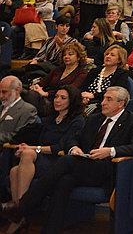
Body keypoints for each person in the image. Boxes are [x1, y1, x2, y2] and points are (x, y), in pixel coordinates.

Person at [2, 87, 133, 233]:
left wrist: (110, 151)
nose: (102, 102)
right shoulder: (95, 118)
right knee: (63, 181)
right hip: (86, 165)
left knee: (67, 161)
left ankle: (22, 206)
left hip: (108, 169)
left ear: (121, 104)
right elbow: (73, 139)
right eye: (103, 98)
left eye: (108, 99)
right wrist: (74, 148)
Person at [6, 85, 85, 233]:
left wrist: (31, 150)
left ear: (72, 101)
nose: (57, 101)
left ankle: (21, 209)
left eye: (63, 98)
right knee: (14, 170)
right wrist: (26, 148)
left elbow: (61, 147)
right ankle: (20, 216)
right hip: (41, 158)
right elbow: (41, 142)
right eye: (56, 97)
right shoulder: (50, 119)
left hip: (59, 162)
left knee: (28, 154)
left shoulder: (77, 121)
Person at [26, 41, 88, 116]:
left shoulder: (82, 73)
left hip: (63, 102)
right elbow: (43, 83)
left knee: (32, 97)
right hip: (46, 99)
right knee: (30, 93)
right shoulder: (57, 70)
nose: (66, 57)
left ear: (78, 57)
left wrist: (47, 94)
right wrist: (36, 87)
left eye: (70, 54)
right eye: (64, 55)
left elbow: (71, 91)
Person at [81, 45, 130, 115]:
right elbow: (83, 87)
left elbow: (115, 94)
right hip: (86, 102)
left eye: (112, 55)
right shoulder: (94, 71)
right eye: (107, 54)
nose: (108, 56)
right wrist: (84, 97)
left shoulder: (121, 74)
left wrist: (93, 96)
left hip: (105, 105)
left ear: (119, 60)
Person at [0, 77, 37, 145]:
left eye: (4, 92)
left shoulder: (28, 110)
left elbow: (18, 136)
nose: (1, 96)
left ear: (17, 90)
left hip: (8, 150)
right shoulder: (1, 107)